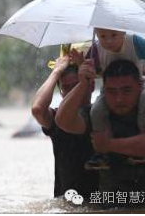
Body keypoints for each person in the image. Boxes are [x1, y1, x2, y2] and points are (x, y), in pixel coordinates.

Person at [55, 59, 145, 208]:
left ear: (140, 87)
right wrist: (82, 84)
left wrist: (108, 145)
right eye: (111, 91)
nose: (119, 99)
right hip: (111, 207)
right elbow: (63, 121)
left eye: (126, 90)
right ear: (103, 91)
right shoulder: (98, 116)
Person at [71, 28, 145, 169]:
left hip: (138, 84)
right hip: (109, 90)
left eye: (114, 35)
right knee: (96, 111)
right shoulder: (95, 49)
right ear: (96, 34)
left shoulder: (134, 41)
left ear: (123, 32)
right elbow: (93, 73)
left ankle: (142, 136)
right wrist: (81, 65)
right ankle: (101, 153)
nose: (108, 40)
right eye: (103, 36)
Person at [31, 56, 98, 200]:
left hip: (99, 203)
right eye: (65, 88)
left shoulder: (100, 115)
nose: (70, 92)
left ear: (91, 86)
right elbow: (37, 110)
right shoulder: (56, 118)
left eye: (76, 85)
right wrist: (56, 72)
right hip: (66, 202)